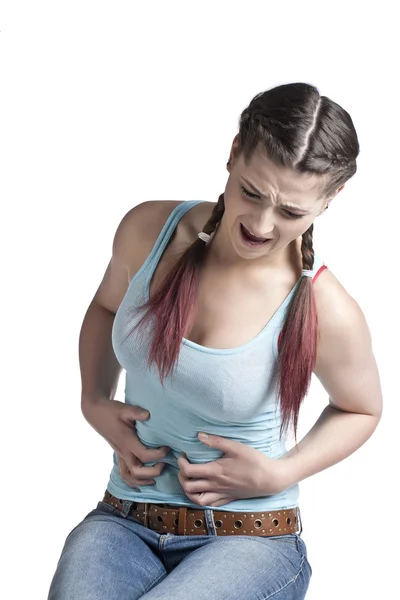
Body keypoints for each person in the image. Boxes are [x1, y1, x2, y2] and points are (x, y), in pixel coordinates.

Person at [48, 82, 382, 600]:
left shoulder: (322, 306)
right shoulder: (149, 229)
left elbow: (361, 409)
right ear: (231, 155)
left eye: (291, 212)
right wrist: (94, 399)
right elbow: (106, 306)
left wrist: (279, 473)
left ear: (331, 198)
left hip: (250, 540)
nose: (261, 224)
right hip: (124, 518)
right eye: (251, 193)